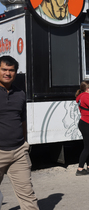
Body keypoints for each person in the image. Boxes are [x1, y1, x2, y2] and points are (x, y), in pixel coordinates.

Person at [0, 55, 39, 209]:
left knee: (28, 196)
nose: (7, 73)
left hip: (18, 152)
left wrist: (24, 143)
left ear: (16, 72)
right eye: (4, 69)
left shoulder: (20, 94)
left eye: (11, 70)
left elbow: (22, 120)